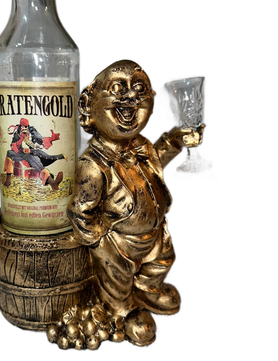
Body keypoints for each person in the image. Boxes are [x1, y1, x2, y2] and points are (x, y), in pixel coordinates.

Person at [67, 60, 203, 346]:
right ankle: (121, 310)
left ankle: (147, 288)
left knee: (163, 259)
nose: (131, 96)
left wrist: (176, 140)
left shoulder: (141, 146)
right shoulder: (93, 164)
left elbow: (157, 160)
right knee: (116, 280)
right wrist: (99, 240)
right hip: (118, 244)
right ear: (89, 106)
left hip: (155, 234)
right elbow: (81, 211)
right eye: (118, 89)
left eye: (140, 89)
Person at [4, 118, 65, 190]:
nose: (24, 128)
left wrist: (51, 139)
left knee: (38, 160)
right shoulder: (17, 133)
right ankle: (8, 179)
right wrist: (20, 139)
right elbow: (13, 146)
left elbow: (40, 139)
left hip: (31, 152)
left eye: (26, 126)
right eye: (22, 126)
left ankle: (52, 183)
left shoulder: (31, 131)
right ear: (20, 126)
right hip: (20, 153)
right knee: (10, 153)